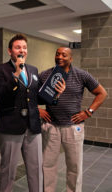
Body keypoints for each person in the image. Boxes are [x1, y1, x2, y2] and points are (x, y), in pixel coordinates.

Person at [0, 34, 65, 192]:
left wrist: (55, 95)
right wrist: (16, 74)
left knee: (36, 168)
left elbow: (34, 97)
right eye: (18, 47)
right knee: (8, 170)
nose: (22, 50)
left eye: (24, 47)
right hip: (11, 126)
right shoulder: (1, 70)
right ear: (10, 51)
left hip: (32, 126)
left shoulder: (33, 69)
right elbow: (1, 96)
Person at [39, 47, 107, 192]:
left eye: (64, 55)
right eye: (57, 54)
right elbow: (30, 95)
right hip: (51, 127)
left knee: (74, 167)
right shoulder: (45, 75)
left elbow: (102, 93)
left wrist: (88, 112)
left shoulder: (81, 75)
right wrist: (38, 110)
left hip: (73, 127)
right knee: (48, 165)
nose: (60, 57)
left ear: (71, 58)